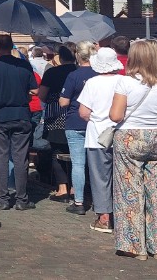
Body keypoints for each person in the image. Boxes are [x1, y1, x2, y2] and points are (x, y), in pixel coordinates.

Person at [109, 39, 157, 261]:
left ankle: (135, 246)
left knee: (129, 191)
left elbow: (116, 115)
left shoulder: (125, 83)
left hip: (130, 137)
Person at [0, 34, 37, 210]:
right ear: (12, 46)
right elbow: (34, 90)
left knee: (1, 157)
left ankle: (3, 198)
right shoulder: (24, 65)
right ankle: (21, 199)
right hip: (21, 114)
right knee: (20, 157)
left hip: (0, 116)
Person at [77, 47, 122, 235]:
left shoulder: (93, 83)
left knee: (100, 177)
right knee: (120, 177)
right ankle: (123, 214)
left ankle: (104, 217)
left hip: (97, 135)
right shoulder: (125, 81)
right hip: (120, 133)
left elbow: (84, 112)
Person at [59, 41, 98, 216]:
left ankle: (79, 201)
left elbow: (64, 101)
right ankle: (100, 201)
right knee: (97, 165)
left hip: (75, 122)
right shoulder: (99, 74)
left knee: (78, 164)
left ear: (77, 56)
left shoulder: (73, 76)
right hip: (96, 122)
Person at [37, 43, 77, 201]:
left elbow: (42, 95)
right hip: (76, 115)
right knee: (76, 154)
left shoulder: (53, 72)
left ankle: (62, 188)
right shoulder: (79, 72)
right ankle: (75, 187)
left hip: (56, 116)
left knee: (56, 152)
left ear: (60, 57)